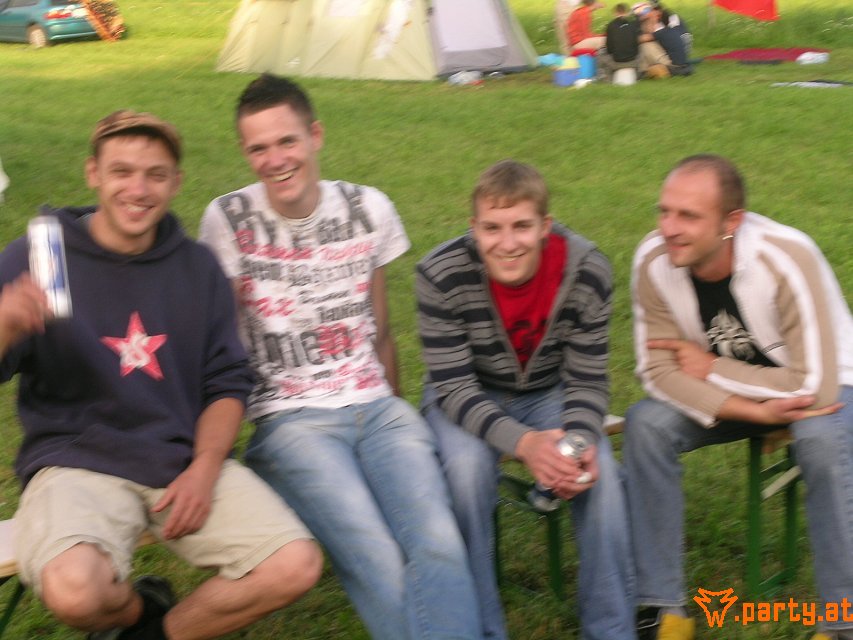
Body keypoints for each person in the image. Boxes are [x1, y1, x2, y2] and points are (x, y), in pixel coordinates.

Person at [0, 110, 322, 640]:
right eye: (121, 171)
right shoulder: (41, 256)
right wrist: (6, 326)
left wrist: (205, 466)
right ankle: (137, 611)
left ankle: (153, 634)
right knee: (75, 591)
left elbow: (227, 382)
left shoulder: (197, 268)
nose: (138, 189)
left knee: (293, 564)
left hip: (179, 462)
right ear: (93, 173)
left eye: (155, 174)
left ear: (176, 182)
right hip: (76, 461)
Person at [198, 74, 482, 640]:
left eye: (287, 141)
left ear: (316, 135)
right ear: (245, 152)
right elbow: (221, 349)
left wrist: (393, 413)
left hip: (377, 409)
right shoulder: (227, 219)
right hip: (290, 421)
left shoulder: (368, 208)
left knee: (438, 539)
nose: (275, 160)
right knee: (374, 550)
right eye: (258, 147)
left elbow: (381, 330)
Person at [625, 154, 853, 640]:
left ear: (731, 222)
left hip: (831, 387)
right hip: (739, 397)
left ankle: (842, 621)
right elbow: (657, 371)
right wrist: (754, 411)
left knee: (820, 440)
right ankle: (662, 608)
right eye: (664, 211)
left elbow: (814, 384)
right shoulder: (652, 260)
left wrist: (713, 368)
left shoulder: (786, 256)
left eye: (688, 216)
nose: (669, 228)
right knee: (645, 425)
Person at [416, 160, 636, 640]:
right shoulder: (440, 273)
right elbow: (453, 388)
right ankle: (478, 628)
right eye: (492, 228)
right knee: (466, 471)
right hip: (465, 394)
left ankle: (612, 629)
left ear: (545, 226)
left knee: (599, 473)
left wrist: (578, 441)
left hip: (548, 391)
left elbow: (587, 380)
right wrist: (526, 444)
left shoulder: (587, 269)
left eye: (521, 226)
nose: (507, 242)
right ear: (473, 228)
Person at [597, 3, 640, 82]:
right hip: (633, 62)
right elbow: (636, 45)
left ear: (615, 13)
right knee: (642, 48)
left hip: (616, 63)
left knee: (600, 53)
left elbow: (609, 49)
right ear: (626, 13)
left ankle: (607, 79)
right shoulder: (633, 25)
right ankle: (639, 75)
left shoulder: (610, 26)